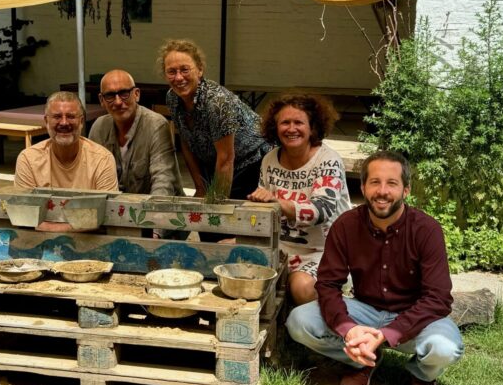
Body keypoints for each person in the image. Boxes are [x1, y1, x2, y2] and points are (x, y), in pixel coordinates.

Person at [285, 150, 463, 385]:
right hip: (365, 311)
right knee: (299, 321)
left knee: (444, 348)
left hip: (415, 315)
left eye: (392, 183)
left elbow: (438, 299)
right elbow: (328, 284)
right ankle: (363, 358)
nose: (382, 191)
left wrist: (390, 332)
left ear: (406, 190)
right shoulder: (346, 225)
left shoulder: (427, 230)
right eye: (375, 182)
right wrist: (349, 328)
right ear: (363, 187)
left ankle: (423, 376)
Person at [247, 92, 352, 305]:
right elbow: (262, 211)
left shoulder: (328, 160)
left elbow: (321, 210)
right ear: (275, 127)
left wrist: (276, 202)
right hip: (280, 247)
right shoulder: (269, 159)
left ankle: (335, 312)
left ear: (312, 127)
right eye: (285, 122)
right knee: (229, 256)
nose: (291, 128)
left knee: (301, 287)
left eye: (299, 122)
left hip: (325, 250)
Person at [157, 39, 270, 200]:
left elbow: (226, 159)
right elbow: (186, 142)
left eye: (185, 70)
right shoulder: (172, 98)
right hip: (216, 163)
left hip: (251, 162)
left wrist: (215, 204)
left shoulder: (216, 102)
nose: (179, 77)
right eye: (171, 71)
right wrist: (200, 188)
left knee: (224, 214)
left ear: (200, 70)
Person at [88, 69, 183, 197]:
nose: (118, 102)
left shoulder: (156, 125)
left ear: (136, 94)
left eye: (124, 93)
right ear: (101, 100)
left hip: (153, 209)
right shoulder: (99, 127)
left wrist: (150, 214)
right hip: (115, 209)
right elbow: (91, 178)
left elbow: (163, 182)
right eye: (110, 95)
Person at [15, 91, 119, 193]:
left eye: (71, 116)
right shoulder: (28, 160)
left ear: (81, 121)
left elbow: (107, 208)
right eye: (57, 117)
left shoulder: (102, 160)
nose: (64, 123)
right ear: (46, 121)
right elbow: (24, 207)